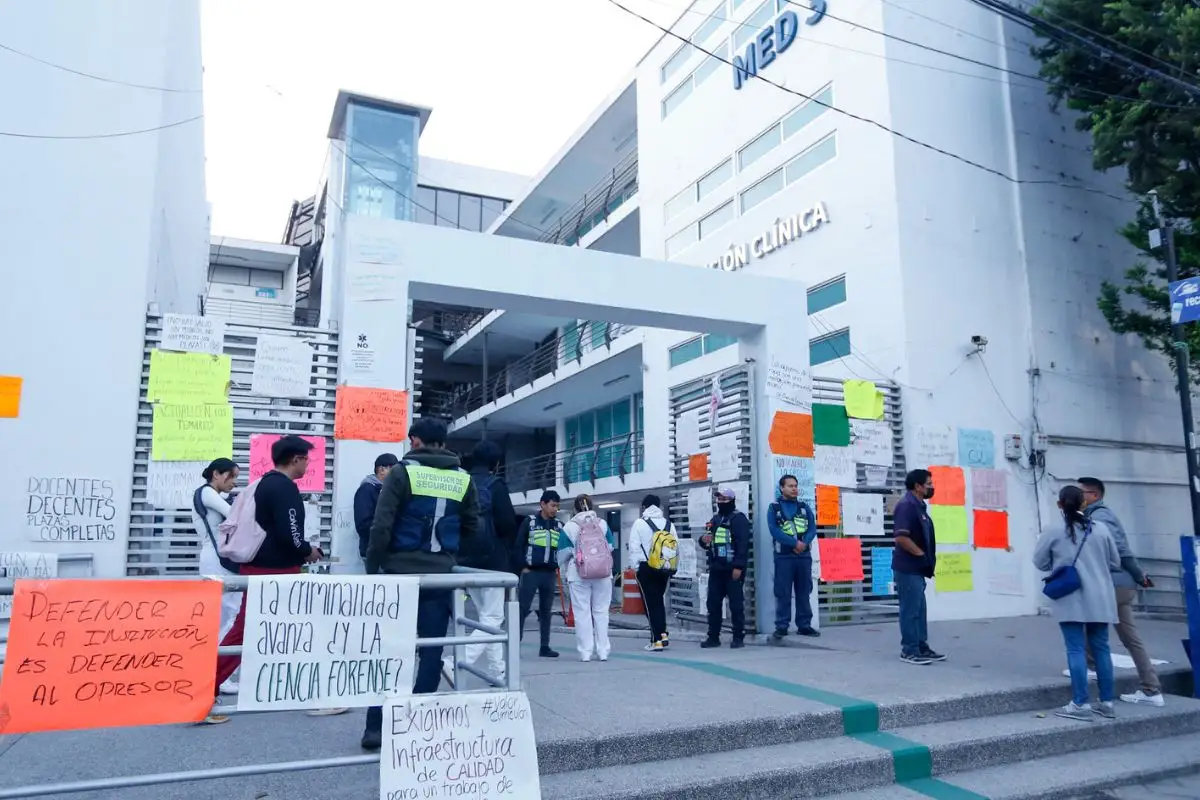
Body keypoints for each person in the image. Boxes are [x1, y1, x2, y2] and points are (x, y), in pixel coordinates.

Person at [361, 418, 480, 750]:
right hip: (440, 576)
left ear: (415, 441)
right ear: (443, 442)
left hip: (399, 574)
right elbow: (472, 525)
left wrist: (374, 566)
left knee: (389, 652)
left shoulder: (401, 473)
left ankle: (376, 728)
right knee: (431, 652)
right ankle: (417, 724)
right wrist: (449, 556)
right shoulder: (463, 478)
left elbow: (381, 526)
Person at [208, 436, 322, 725]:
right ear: (295, 459)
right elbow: (291, 534)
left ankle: (208, 686)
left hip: (259, 567)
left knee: (255, 629)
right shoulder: (284, 488)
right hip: (276, 570)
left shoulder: (264, 483)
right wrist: (307, 551)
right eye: (306, 458)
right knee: (273, 628)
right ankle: (205, 688)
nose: (308, 464)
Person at [1034, 484, 1121, 721]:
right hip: (1101, 597)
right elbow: (1115, 562)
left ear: (1059, 504)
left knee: (1075, 649)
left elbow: (1039, 562)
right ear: (1084, 503)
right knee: (1102, 649)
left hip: (1070, 596)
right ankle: (1106, 702)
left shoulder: (1054, 530)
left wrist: (1060, 562)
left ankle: (1080, 703)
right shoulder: (1101, 528)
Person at [1076, 477, 1163, 707]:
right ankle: (1151, 689)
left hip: (1115, 584)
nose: (1079, 496)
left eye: (1082, 492)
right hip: (1116, 584)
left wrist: (1138, 574)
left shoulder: (1101, 516)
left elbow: (1120, 549)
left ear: (1094, 495)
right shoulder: (1091, 516)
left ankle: (1094, 667)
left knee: (1088, 621)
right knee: (1126, 636)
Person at [462, 440, 518, 680]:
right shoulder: (495, 485)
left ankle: (498, 670)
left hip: (464, 560)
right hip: (492, 561)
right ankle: (457, 661)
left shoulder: (462, 481)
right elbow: (507, 523)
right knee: (493, 617)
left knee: (488, 616)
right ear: (495, 463)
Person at [191, 458, 242, 696]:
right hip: (217, 561)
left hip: (215, 559)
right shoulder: (207, 493)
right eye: (231, 477)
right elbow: (233, 515)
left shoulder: (209, 494)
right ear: (216, 474)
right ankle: (221, 675)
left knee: (224, 617)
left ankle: (216, 672)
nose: (234, 482)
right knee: (228, 616)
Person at [892, 469, 944, 665]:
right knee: (910, 610)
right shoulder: (906, 506)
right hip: (908, 568)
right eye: (929, 483)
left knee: (920, 609)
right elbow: (901, 537)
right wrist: (920, 554)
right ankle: (909, 650)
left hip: (917, 569)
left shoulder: (919, 506)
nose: (932, 487)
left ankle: (921, 646)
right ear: (918, 486)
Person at [559, 494, 616, 662]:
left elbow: (562, 555)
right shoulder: (602, 524)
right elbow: (610, 547)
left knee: (582, 613)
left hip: (578, 574)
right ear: (592, 506)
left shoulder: (570, 526)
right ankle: (603, 651)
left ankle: (585, 652)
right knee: (601, 611)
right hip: (603, 574)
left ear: (575, 508)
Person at [768, 474, 819, 639]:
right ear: (782, 488)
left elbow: (812, 528)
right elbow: (774, 530)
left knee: (804, 591)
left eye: (796, 485)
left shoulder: (804, 507)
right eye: (790, 486)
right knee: (783, 592)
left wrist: (804, 542)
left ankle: (804, 625)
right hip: (784, 557)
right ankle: (782, 625)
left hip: (803, 557)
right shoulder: (774, 508)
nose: (794, 488)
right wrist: (793, 543)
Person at [698, 487, 749, 649]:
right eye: (719, 499)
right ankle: (713, 637)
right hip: (716, 569)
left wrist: (738, 567)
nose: (720, 502)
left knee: (736, 605)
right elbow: (707, 542)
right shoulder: (715, 519)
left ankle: (738, 637)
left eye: (724, 499)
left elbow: (743, 545)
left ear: (732, 501)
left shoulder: (739, 519)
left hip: (733, 569)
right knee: (712, 605)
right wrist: (703, 540)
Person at [628, 494, 678, 652]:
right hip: (664, 568)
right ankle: (663, 635)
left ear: (644, 507)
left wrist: (634, 567)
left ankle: (655, 640)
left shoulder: (639, 523)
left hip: (646, 567)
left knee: (650, 605)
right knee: (659, 602)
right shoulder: (668, 524)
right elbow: (675, 547)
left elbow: (634, 546)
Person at [516, 491, 564, 659]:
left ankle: (545, 646)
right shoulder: (529, 522)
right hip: (531, 572)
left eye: (557, 506)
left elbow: (563, 548)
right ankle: (515, 645)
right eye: (552, 505)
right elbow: (518, 545)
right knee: (522, 608)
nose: (555, 509)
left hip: (549, 574)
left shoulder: (559, 525)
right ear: (542, 504)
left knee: (546, 611)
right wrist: (523, 567)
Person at [354, 453, 399, 564]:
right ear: (381, 469)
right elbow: (363, 525)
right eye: (393, 469)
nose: (398, 474)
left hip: (390, 552)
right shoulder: (367, 489)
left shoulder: (390, 490)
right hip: (373, 551)